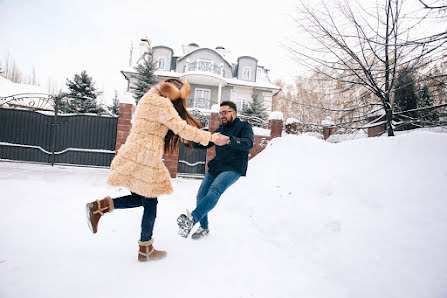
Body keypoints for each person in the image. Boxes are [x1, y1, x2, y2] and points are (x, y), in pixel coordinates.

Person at [85, 78, 226, 262]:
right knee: (150, 203)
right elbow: (182, 129)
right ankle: (145, 249)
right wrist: (212, 138)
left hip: (133, 152)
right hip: (146, 156)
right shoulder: (162, 104)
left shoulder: (147, 98)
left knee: (141, 198)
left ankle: (100, 207)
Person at [177, 100, 254, 239]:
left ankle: (192, 220)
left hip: (234, 168)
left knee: (215, 190)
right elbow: (206, 143)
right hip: (217, 167)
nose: (222, 116)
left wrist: (230, 140)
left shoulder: (244, 127)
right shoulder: (219, 130)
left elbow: (248, 144)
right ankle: (204, 228)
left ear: (234, 113)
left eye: (225, 112)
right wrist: (188, 143)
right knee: (200, 196)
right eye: (220, 113)